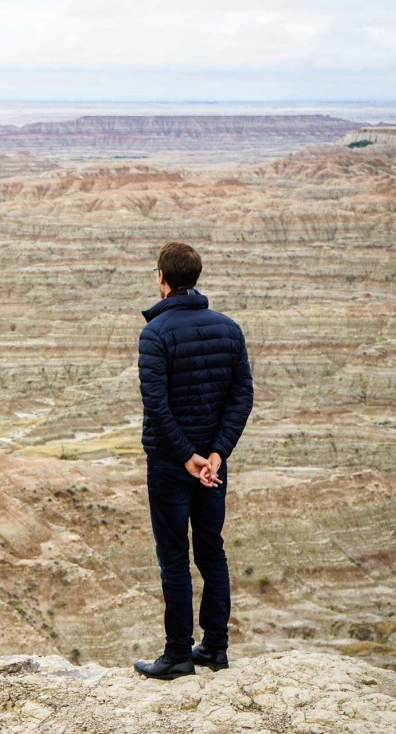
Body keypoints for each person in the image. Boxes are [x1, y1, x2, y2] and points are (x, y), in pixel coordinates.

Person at [133, 241, 254, 679]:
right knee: (211, 551)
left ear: (162, 279)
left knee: (174, 557)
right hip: (213, 468)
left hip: (172, 464)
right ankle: (216, 648)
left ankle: (179, 655)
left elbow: (156, 403)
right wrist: (217, 454)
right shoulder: (229, 329)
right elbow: (242, 397)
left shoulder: (155, 334)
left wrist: (188, 457)